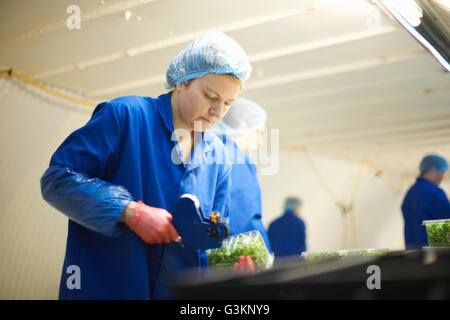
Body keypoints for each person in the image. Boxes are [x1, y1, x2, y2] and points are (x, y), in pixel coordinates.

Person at [40, 31, 252, 299]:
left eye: (228, 103)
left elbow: (213, 235)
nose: (218, 112)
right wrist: (129, 212)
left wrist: (229, 265)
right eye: (210, 96)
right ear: (182, 81)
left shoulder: (218, 156)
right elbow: (58, 179)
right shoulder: (126, 116)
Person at [209, 98, 271, 252]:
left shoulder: (210, 151)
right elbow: (245, 217)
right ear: (243, 127)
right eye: (259, 133)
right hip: (235, 259)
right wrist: (263, 255)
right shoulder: (238, 159)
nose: (261, 142)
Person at [401, 154, 450, 249]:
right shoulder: (433, 191)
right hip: (436, 252)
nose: (442, 177)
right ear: (433, 170)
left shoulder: (411, 193)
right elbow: (447, 216)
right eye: (441, 173)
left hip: (413, 252)